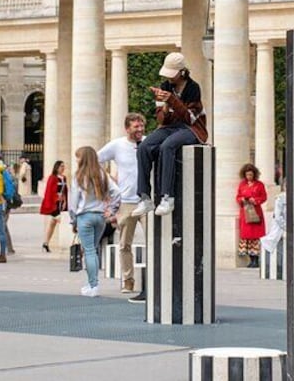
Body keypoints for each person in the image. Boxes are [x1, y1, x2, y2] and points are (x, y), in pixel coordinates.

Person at [132, 52, 207, 217]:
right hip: (170, 127)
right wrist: (165, 105)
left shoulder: (193, 88)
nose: (170, 79)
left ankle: (167, 197)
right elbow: (161, 119)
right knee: (144, 147)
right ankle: (145, 197)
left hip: (192, 129)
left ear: (181, 72)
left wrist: (172, 100)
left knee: (168, 146)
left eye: (172, 75)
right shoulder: (165, 86)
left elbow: (191, 118)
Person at [98, 113, 146, 293]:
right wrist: (109, 183)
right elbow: (96, 158)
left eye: (142, 126)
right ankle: (128, 280)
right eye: (136, 127)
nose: (140, 130)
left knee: (156, 241)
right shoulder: (117, 145)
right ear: (127, 128)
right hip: (126, 202)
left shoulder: (148, 143)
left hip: (146, 200)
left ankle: (155, 279)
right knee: (125, 244)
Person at [69, 146, 121, 297]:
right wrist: (111, 210)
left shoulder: (79, 176)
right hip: (100, 217)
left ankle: (93, 285)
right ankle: (92, 283)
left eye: (78, 157)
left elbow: (73, 202)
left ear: (83, 158)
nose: (77, 160)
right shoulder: (102, 174)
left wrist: (73, 220)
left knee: (89, 251)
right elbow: (117, 192)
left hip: (84, 216)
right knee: (94, 250)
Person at [236, 163, 267, 268]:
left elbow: (264, 197)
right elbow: (238, 196)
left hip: (256, 213)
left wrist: (256, 200)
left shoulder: (260, 184)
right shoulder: (242, 184)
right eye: (247, 175)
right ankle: (250, 259)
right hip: (245, 213)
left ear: (254, 174)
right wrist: (242, 200)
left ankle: (256, 260)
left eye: (251, 174)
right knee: (246, 237)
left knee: (255, 236)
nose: (249, 176)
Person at [39, 160, 67, 252]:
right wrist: (56, 198)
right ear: (57, 167)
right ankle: (65, 242)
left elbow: (65, 190)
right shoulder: (52, 178)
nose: (63, 168)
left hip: (60, 203)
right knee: (61, 220)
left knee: (52, 223)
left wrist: (65, 201)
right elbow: (49, 191)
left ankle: (45, 243)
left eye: (63, 166)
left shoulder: (64, 178)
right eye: (61, 166)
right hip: (54, 203)